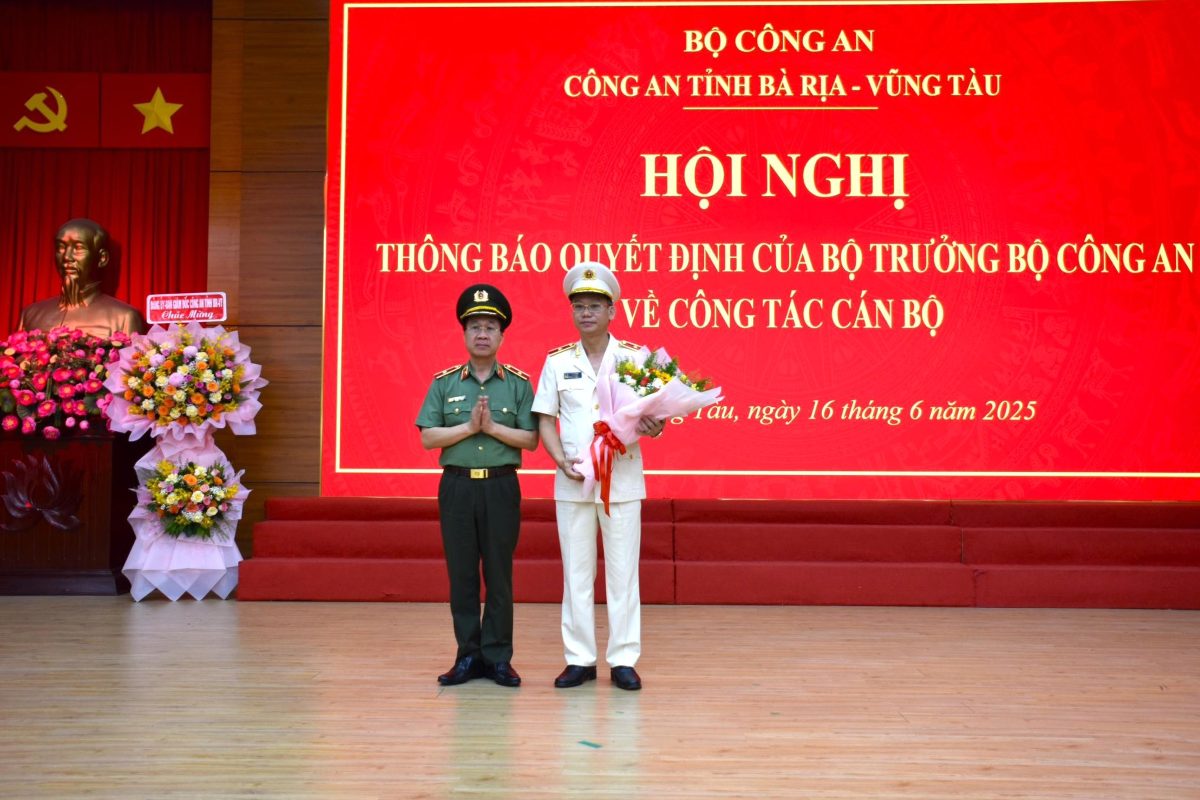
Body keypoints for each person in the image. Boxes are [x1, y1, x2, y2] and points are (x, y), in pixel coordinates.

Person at [532, 262, 664, 691]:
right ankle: (580, 659)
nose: (586, 313)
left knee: (624, 572)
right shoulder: (556, 362)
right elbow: (545, 420)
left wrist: (653, 425)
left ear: (612, 311)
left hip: (621, 481)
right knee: (577, 573)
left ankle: (623, 659)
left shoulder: (634, 358)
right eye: (579, 306)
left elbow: (657, 418)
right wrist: (558, 460)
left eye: (595, 306)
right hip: (573, 483)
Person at [416, 284, 538, 688]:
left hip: (501, 488)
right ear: (465, 335)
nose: (482, 333)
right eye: (474, 327)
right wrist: (469, 427)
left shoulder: (518, 384)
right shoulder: (445, 383)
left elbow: (531, 440)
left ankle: (498, 657)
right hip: (457, 488)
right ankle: (468, 656)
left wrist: (493, 428)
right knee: (462, 575)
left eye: (490, 327)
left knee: (500, 575)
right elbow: (428, 437)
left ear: (502, 336)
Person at [18, 218, 146, 337]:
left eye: (78, 248)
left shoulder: (125, 317)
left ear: (102, 258)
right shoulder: (31, 315)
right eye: (61, 248)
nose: (67, 257)